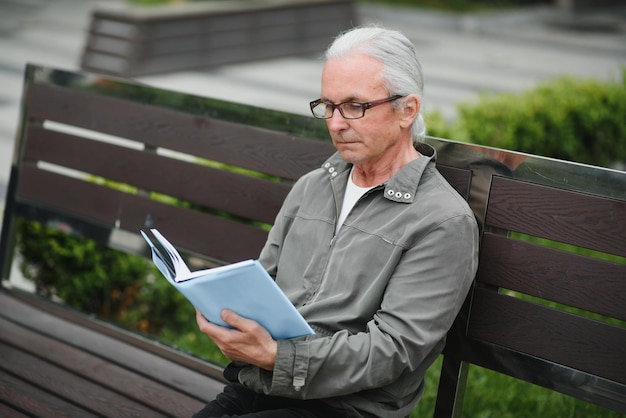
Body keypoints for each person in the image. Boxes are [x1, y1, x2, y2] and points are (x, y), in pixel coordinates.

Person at [193, 25, 479, 418]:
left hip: (348, 408)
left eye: (354, 106)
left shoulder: (442, 221)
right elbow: (266, 281)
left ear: (407, 110)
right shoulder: (314, 186)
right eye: (328, 105)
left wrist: (278, 356)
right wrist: (225, 314)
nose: (335, 123)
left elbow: (394, 350)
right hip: (265, 384)